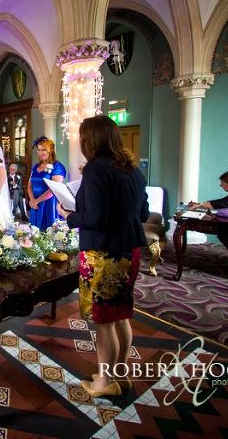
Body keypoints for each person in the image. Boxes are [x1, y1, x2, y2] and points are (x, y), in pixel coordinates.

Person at [57, 115, 149, 398]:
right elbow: (144, 213)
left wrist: (69, 216)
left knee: (105, 320)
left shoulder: (97, 169)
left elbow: (96, 218)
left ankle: (105, 382)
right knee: (121, 316)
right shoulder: (133, 171)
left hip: (104, 253)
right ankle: (119, 374)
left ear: (91, 140)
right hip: (130, 250)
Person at [28, 137, 67, 230]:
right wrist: (32, 200)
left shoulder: (57, 167)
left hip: (49, 204)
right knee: (35, 232)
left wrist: (37, 201)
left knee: (48, 232)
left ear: (51, 150)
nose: (40, 152)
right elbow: (29, 185)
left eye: (44, 150)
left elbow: (54, 190)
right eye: (38, 150)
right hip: (35, 205)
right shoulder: (36, 166)